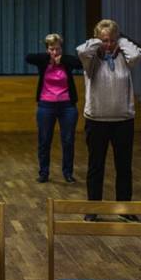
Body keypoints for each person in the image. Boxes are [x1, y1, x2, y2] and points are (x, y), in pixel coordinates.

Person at [76, 19, 141, 222]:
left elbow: (137, 54)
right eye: (104, 40)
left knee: (124, 167)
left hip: (123, 120)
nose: (108, 44)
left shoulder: (125, 57)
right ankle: (93, 208)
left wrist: (120, 41)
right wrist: (99, 41)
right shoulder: (90, 60)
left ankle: (124, 208)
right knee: (96, 167)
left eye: (112, 40)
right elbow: (81, 50)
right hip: (96, 120)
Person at [25, 33, 82, 183]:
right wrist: (48, 58)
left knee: (68, 141)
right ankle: (44, 173)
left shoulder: (66, 61)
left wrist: (62, 60)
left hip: (67, 106)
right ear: (47, 49)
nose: (55, 52)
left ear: (61, 48)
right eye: (51, 49)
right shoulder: (43, 61)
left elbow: (80, 64)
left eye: (57, 49)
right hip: (46, 105)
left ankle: (68, 173)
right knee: (44, 140)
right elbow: (28, 58)